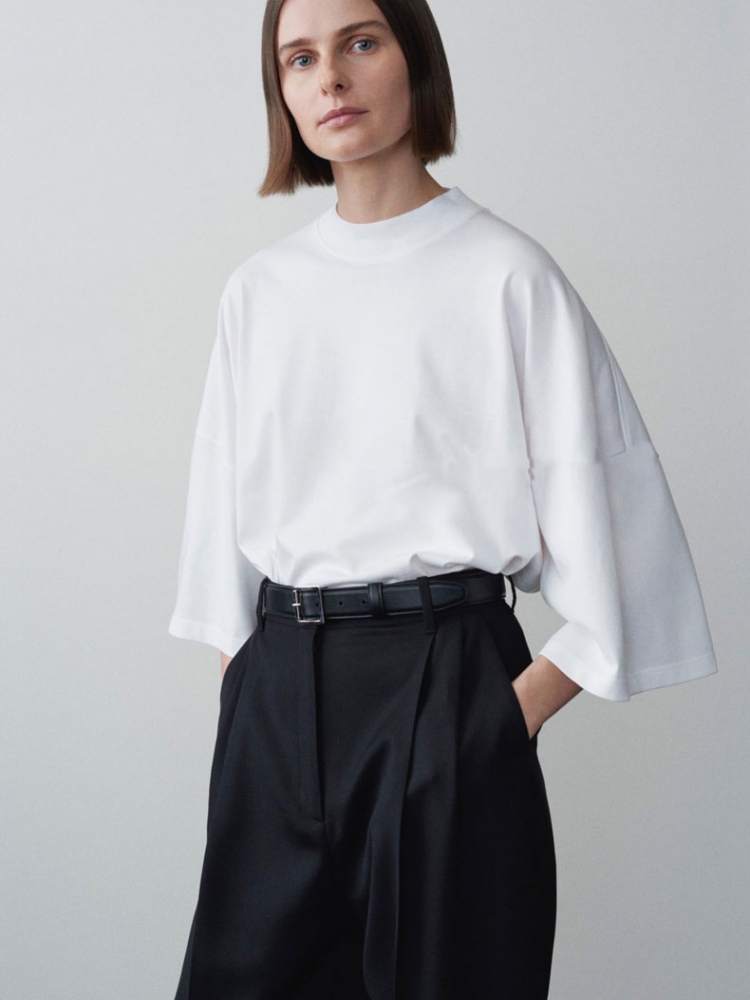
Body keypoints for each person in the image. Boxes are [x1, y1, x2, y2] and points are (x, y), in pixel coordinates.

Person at [167, 0, 718, 997]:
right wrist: (251, 695)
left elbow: (621, 530)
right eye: (299, 58)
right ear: (281, 92)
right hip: (279, 691)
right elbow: (223, 530)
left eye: (360, 42)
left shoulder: (507, 274)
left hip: (445, 679)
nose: (331, 77)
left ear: (414, 58)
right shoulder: (261, 291)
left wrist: (497, 722)